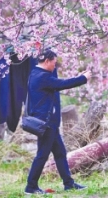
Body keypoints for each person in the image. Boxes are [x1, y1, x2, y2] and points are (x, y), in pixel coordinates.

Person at [24, 49, 92, 194]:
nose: (55, 66)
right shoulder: (42, 77)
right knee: (42, 155)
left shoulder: (35, 74)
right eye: (54, 63)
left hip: (49, 124)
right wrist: (83, 78)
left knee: (60, 153)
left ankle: (68, 183)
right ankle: (31, 186)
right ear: (47, 61)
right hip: (46, 124)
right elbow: (63, 83)